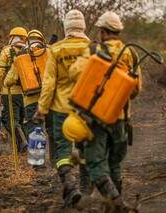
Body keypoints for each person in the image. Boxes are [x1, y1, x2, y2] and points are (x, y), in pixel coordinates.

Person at [70, 11, 142, 211]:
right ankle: (114, 205)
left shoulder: (94, 50)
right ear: (118, 31)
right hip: (122, 119)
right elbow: (136, 89)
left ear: (102, 31)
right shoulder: (131, 53)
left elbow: (74, 72)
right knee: (115, 164)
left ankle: (117, 204)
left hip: (97, 119)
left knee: (95, 162)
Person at [33, 10, 91, 208]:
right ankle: (84, 188)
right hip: (86, 109)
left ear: (66, 28)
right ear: (82, 26)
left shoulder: (56, 50)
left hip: (61, 108)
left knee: (62, 149)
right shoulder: (91, 48)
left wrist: (42, 108)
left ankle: (70, 184)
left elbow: (49, 83)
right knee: (84, 147)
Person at [0, 27, 27, 153]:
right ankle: (22, 146)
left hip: (10, 92)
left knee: (9, 119)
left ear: (12, 37)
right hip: (27, 92)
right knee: (21, 120)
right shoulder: (29, 51)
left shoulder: (7, 51)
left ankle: (23, 143)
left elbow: (0, 72)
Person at [4, 29, 48, 137]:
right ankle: (54, 152)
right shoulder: (48, 52)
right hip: (49, 97)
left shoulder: (21, 56)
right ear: (42, 39)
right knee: (52, 129)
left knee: (34, 128)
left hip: (30, 99)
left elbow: (9, 81)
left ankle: (37, 152)